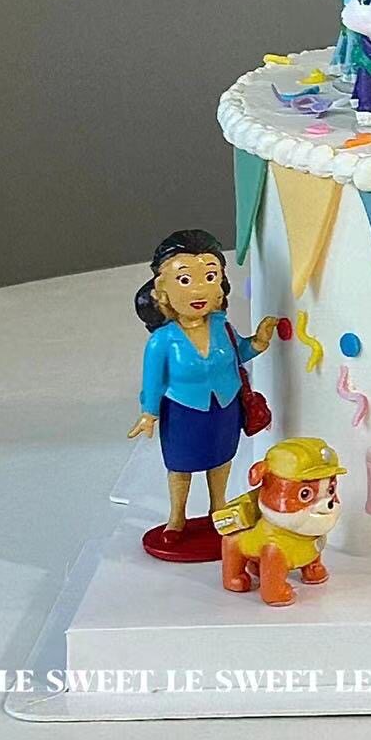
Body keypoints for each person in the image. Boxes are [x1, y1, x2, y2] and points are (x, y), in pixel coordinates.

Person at [128, 229, 277, 557]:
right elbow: (153, 381)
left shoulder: (222, 326)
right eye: (184, 280)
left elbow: (238, 353)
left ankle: (217, 509)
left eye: (210, 276)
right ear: (162, 290)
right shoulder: (162, 340)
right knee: (180, 466)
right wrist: (149, 413)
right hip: (183, 411)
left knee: (221, 460)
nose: (199, 289)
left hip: (224, 406)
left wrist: (258, 342)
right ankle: (177, 518)